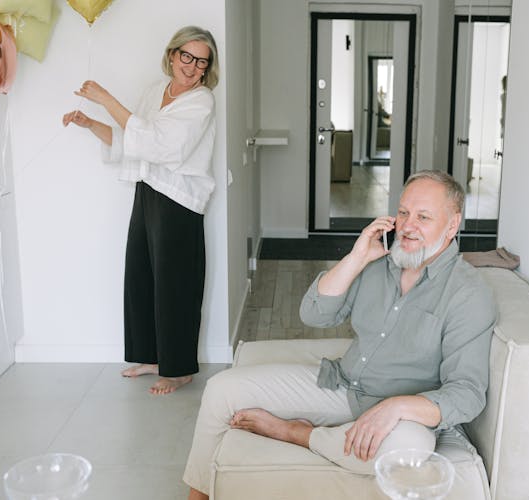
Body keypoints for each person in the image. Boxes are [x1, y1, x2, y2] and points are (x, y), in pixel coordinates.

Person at [183, 170, 497, 500]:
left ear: (452, 224)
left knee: (409, 449)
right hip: (341, 386)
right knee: (220, 389)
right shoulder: (378, 263)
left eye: (423, 217)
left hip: (403, 417)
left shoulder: (467, 294)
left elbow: (467, 393)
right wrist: (357, 256)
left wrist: (396, 407)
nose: (407, 225)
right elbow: (314, 314)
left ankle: (297, 433)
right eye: (403, 212)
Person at [62, 26, 220, 395]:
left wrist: (105, 98)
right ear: (171, 54)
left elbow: (164, 146)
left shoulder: (202, 101)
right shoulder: (155, 91)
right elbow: (133, 138)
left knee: (176, 284)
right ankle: (153, 356)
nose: (193, 66)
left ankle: (179, 368)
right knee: (141, 276)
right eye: (187, 56)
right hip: (148, 190)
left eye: (202, 61)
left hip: (179, 197)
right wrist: (91, 125)